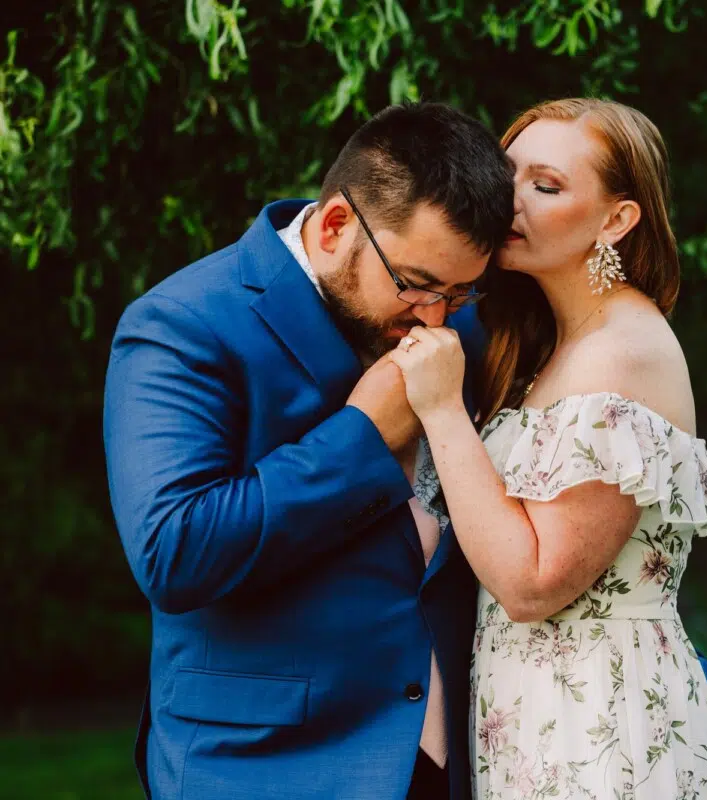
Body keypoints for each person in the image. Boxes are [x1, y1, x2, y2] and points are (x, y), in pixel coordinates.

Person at [102, 102, 514, 799]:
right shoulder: (182, 324)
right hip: (264, 765)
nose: (436, 316)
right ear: (334, 225)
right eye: (415, 284)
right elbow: (176, 551)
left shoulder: (463, 330)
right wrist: (364, 436)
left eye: (459, 292)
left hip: (450, 761)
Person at [389, 98, 707, 798]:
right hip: (539, 712)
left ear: (616, 220)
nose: (511, 200)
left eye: (546, 186)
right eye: (508, 176)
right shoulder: (553, 344)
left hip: (595, 724)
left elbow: (532, 584)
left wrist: (442, 410)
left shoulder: (621, 354)